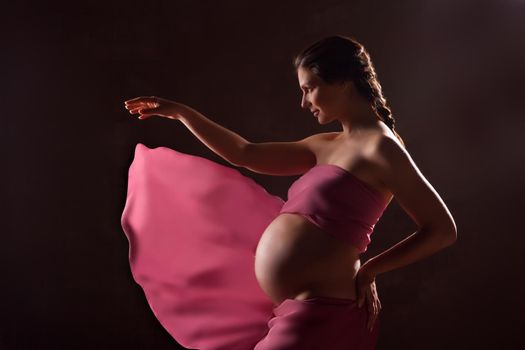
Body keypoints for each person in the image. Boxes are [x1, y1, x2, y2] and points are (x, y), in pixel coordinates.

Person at [121, 35, 457, 350]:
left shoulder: (382, 149)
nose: (303, 102)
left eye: (310, 88)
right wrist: (182, 113)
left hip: (323, 313)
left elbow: (441, 230)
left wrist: (370, 269)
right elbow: (245, 153)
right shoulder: (325, 144)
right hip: (291, 308)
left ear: (341, 81)